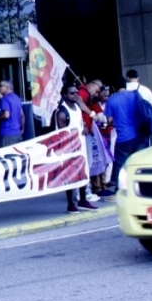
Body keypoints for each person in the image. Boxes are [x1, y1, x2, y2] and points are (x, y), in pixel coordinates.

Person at [58, 84, 97, 213]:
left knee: (82, 173)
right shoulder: (62, 112)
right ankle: (71, 203)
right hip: (69, 149)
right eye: (72, 93)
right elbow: (62, 134)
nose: (75, 95)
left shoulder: (77, 107)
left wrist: (84, 127)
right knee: (70, 176)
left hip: (80, 146)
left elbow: (81, 122)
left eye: (76, 92)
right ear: (64, 95)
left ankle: (83, 200)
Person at [104, 77, 143, 193]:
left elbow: (109, 120)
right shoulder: (134, 95)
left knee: (119, 164)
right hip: (138, 134)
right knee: (137, 162)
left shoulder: (111, 100)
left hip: (123, 137)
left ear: (113, 87)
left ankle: (119, 188)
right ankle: (139, 186)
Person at [0, 80, 24, 147]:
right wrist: (22, 129)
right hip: (18, 133)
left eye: (1, 86)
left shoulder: (5, 98)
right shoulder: (17, 98)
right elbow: (22, 115)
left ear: (7, 87)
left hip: (7, 134)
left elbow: (6, 115)